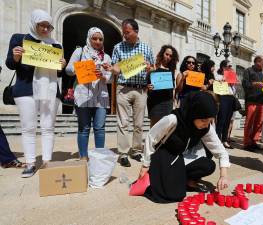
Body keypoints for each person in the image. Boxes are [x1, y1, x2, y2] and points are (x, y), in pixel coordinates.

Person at [137, 91, 230, 203]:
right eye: (203, 120)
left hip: (181, 157)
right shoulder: (173, 119)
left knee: (208, 165)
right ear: (193, 113)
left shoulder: (206, 128)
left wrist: (223, 176)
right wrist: (145, 165)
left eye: (210, 121)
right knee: (173, 195)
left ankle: (185, 180)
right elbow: (151, 137)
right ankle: (169, 179)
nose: (206, 124)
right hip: (164, 155)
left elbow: (221, 151)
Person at [5, 9, 66, 177]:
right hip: (26, 89)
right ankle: (30, 163)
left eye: (49, 27)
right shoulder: (20, 39)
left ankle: (47, 161)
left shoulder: (55, 45)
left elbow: (59, 73)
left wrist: (61, 64)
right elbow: (10, 64)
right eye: (42, 25)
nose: (46, 30)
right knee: (28, 128)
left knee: (48, 127)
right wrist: (16, 57)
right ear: (34, 23)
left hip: (51, 90)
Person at [110, 19, 155, 167]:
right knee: (123, 122)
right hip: (123, 88)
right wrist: (114, 69)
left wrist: (150, 68)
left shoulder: (146, 48)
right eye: (123, 33)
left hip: (141, 89)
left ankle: (136, 150)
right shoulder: (118, 47)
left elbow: (153, 67)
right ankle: (123, 153)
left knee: (139, 124)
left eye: (127, 32)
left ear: (136, 31)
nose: (125, 35)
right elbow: (115, 67)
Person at [65, 27, 112, 160]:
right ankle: (83, 157)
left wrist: (103, 76)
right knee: (84, 128)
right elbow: (68, 69)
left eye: (100, 39)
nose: (97, 41)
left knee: (100, 128)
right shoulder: (80, 51)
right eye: (94, 38)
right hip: (83, 96)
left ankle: (99, 157)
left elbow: (111, 78)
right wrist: (81, 67)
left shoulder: (106, 57)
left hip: (101, 97)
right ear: (89, 38)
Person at [146, 45, 179, 127]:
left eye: (170, 56)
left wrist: (174, 102)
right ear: (162, 54)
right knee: (154, 127)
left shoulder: (171, 70)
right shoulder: (153, 67)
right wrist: (148, 87)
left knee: (165, 128)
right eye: (166, 54)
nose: (168, 57)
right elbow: (147, 84)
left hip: (167, 102)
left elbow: (172, 88)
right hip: (155, 101)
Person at [242, 55, 263, 151]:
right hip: (251, 101)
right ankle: (247, 143)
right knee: (249, 123)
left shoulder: (262, 73)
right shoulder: (248, 71)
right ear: (257, 62)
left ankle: (254, 141)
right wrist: (254, 84)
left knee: (259, 123)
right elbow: (244, 84)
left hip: (261, 102)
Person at [214, 60, 236, 149]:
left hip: (231, 98)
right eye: (229, 66)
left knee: (227, 120)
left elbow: (234, 88)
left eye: (231, 66)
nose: (231, 67)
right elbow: (216, 84)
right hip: (222, 97)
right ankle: (218, 140)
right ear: (224, 67)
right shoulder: (218, 76)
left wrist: (232, 81)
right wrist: (224, 79)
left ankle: (225, 140)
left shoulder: (231, 76)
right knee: (221, 120)